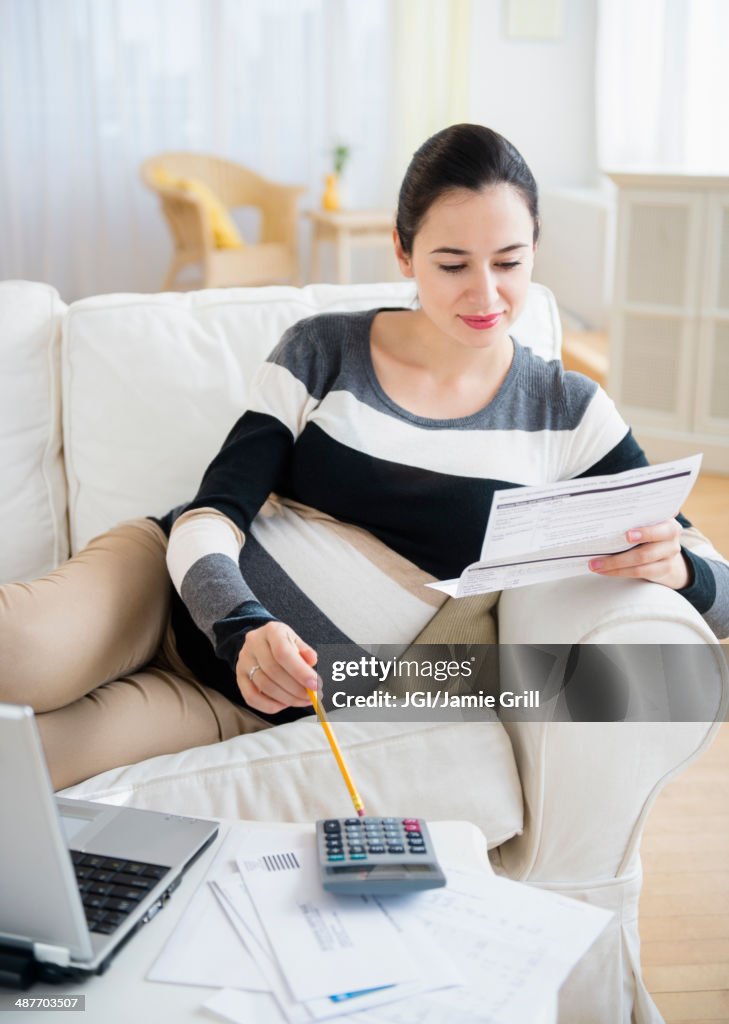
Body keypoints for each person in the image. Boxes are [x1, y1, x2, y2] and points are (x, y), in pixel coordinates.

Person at [2, 124, 727, 789]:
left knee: (25, 769)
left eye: (509, 261)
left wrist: (679, 567)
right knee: (18, 651)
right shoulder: (322, 350)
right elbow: (210, 512)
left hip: (252, 702)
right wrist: (243, 626)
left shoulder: (566, 411)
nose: (485, 294)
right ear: (403, 253)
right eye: (451, 264)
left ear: (535, 246)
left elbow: (719, 588)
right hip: (157, 590)